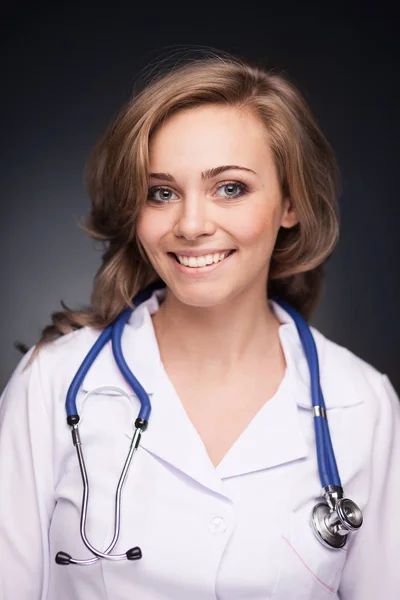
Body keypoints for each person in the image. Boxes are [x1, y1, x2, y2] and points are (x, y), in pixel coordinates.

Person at [0, 49, 399, 600]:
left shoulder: (363, 404)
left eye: (230, 188)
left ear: (291, 202)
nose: (190, 224)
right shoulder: (53, 383)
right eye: (161, 193)